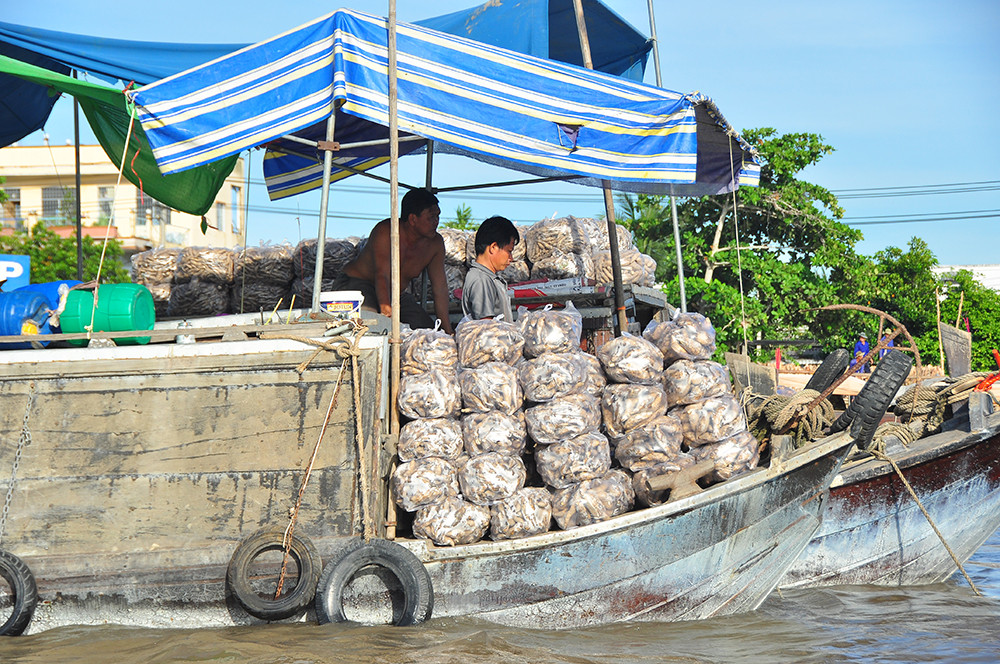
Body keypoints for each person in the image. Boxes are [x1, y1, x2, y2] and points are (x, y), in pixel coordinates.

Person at [334, 188, 453, 333]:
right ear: (413, 219)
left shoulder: (435, 244)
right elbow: (382, 275)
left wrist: (447, 330)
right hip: (357, 284)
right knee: (368, 326)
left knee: (427, 331)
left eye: (438, 216)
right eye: (431, 217)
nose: (436, 222)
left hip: (396, 293)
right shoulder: (387, 231)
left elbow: (440, 287)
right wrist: (386, 311)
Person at [462, 216, 518, 321]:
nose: (511, 258)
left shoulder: (489, 278)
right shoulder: (481, 280)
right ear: (493, 247)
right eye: (509, 251)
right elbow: (486, 325)